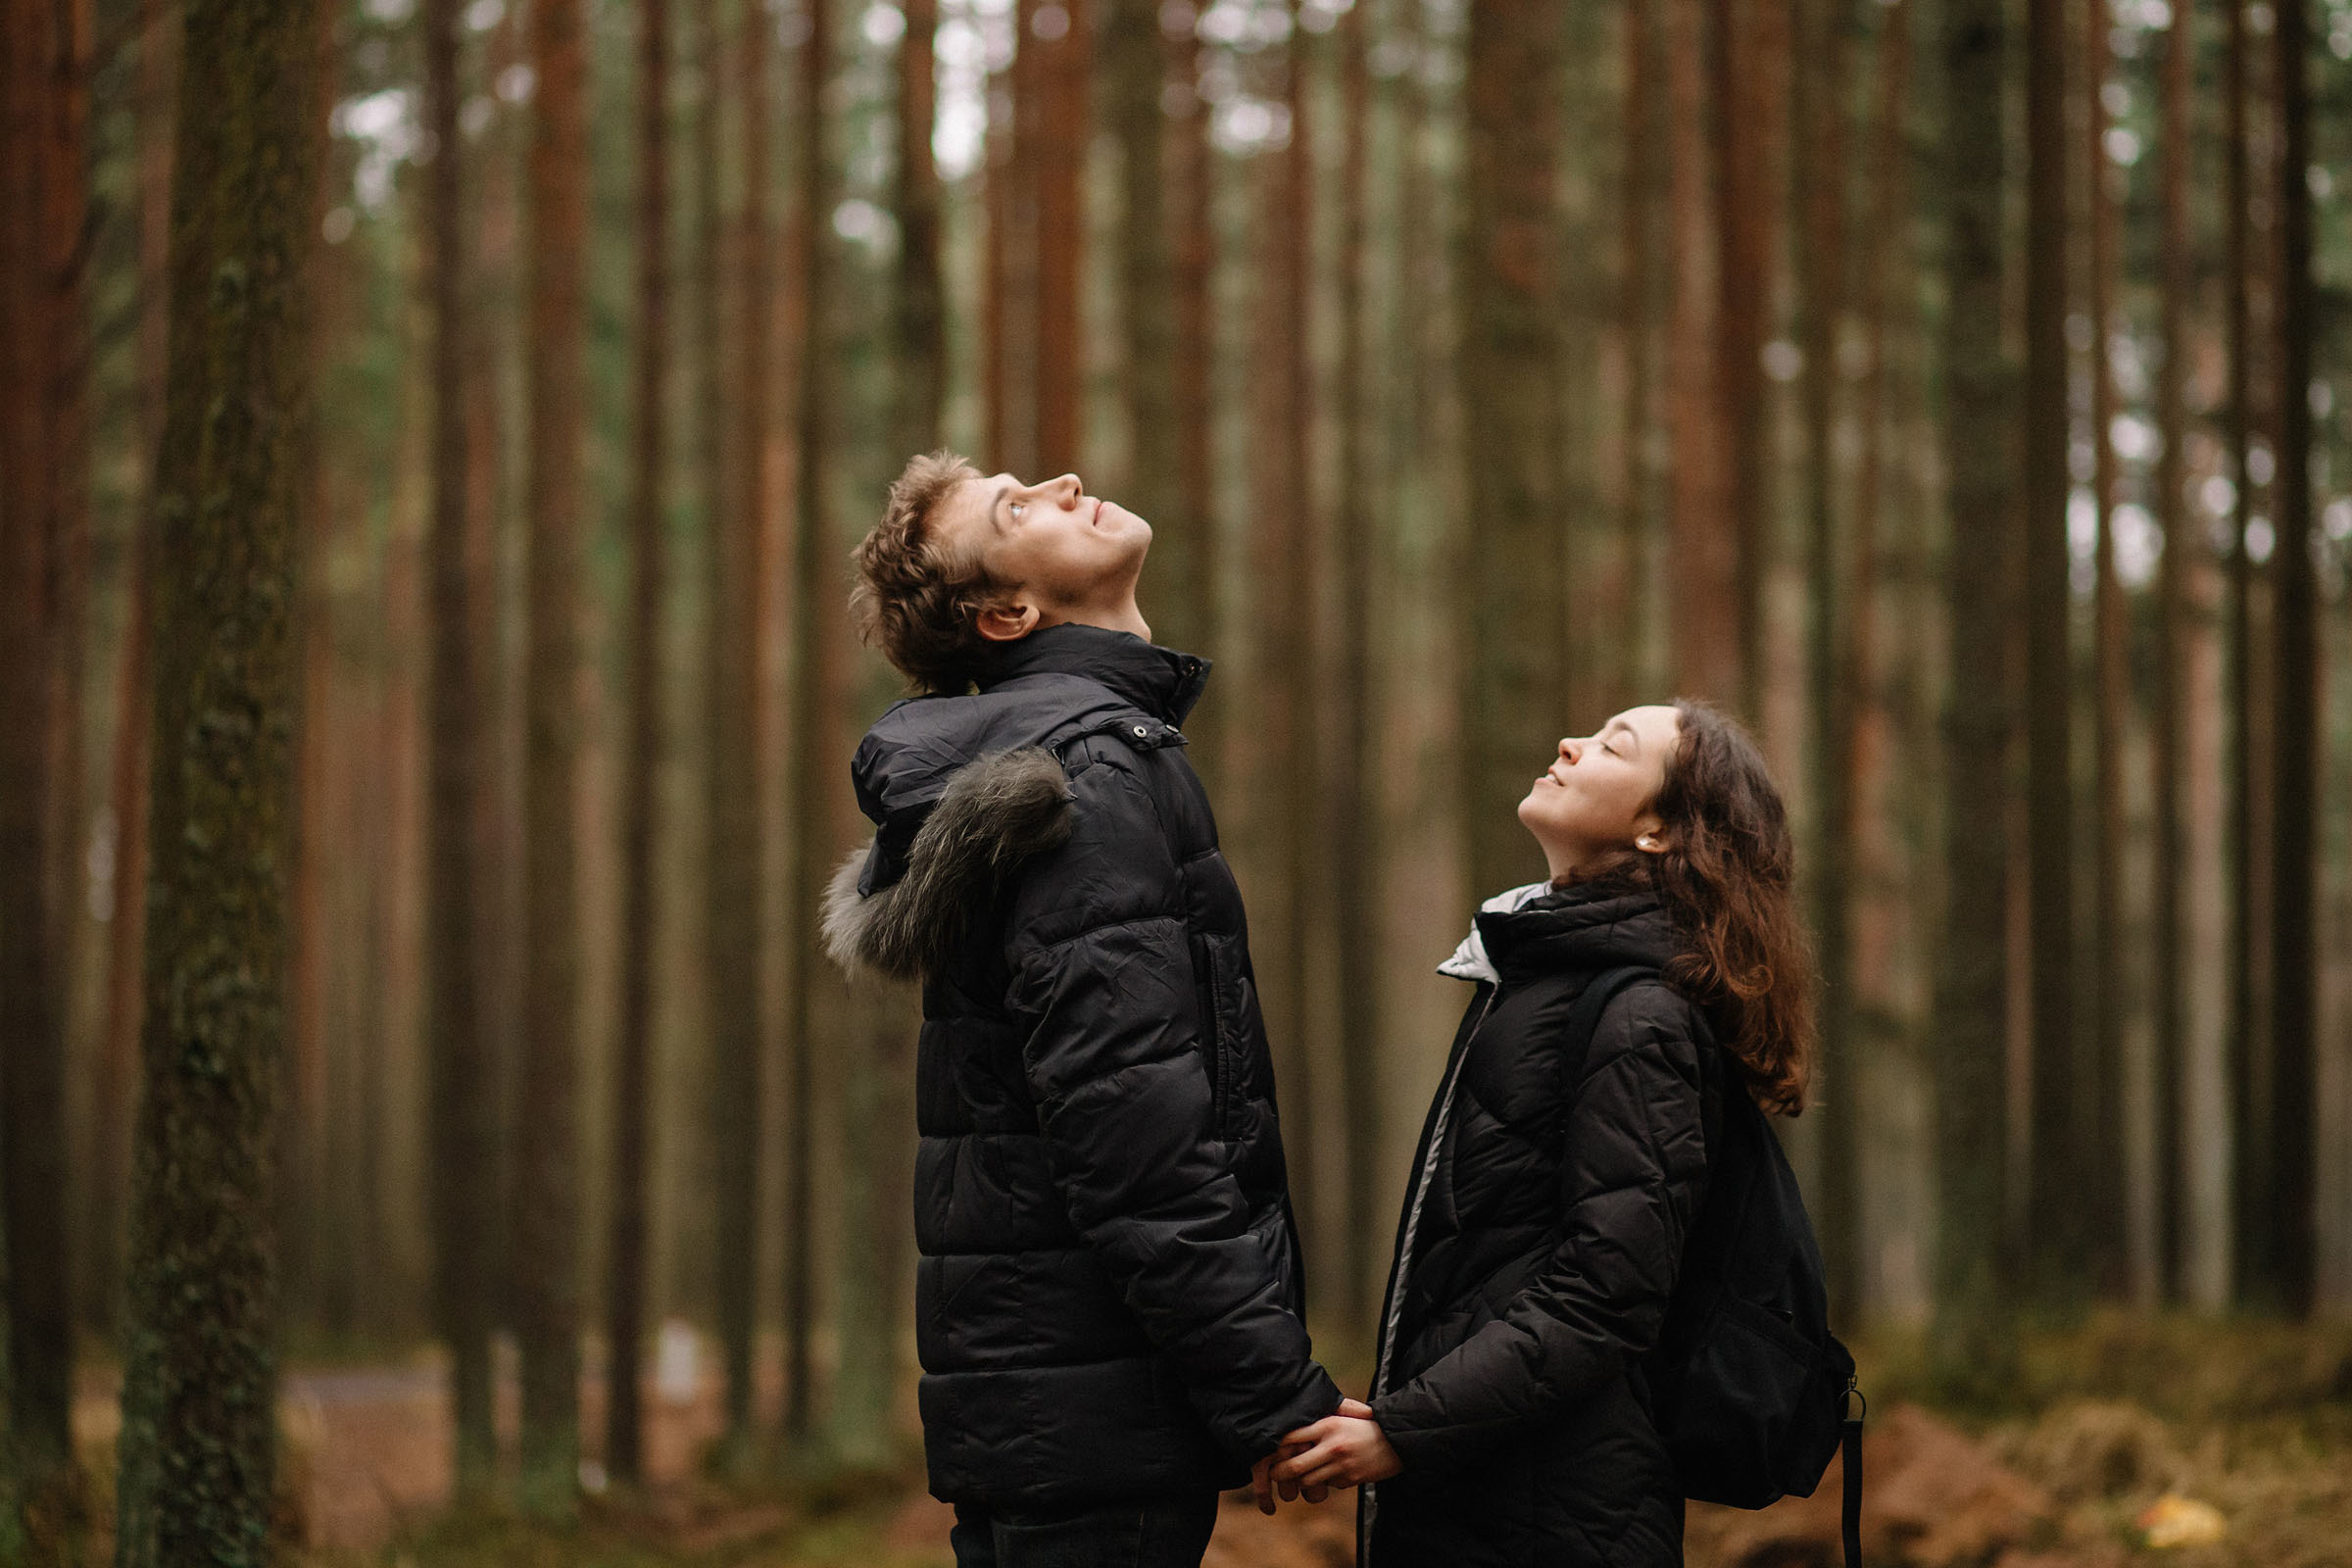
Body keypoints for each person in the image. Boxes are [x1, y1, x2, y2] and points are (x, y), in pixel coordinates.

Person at [823, 452, 1342, 1568]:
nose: (1062, 480)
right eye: (1017, 507)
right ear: (1007, 611)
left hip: (1059, 1400)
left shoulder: (1076, 756)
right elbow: (1134, 1138)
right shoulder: (1090, 774)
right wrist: (1271, 1391)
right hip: (1099, 1413)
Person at [1266, 701, 1817, 1568]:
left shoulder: (1638, 1016)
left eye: (1612, 747)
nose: (1569, 742)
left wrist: (1406, 1428)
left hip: (1558, 1510)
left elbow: (1606, 1295)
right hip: (1495, 1482)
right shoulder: (1543, 979)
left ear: (1659, 832)